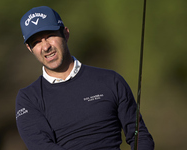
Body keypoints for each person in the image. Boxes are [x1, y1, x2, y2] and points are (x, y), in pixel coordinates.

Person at [16, 6, 154, 150]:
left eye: (50, 36)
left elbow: (140, 136)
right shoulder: (28, 99)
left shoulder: (111, 80)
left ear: (65, 34)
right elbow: (41, 146)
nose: (45, 47)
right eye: (36, 42)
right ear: (29, 48)